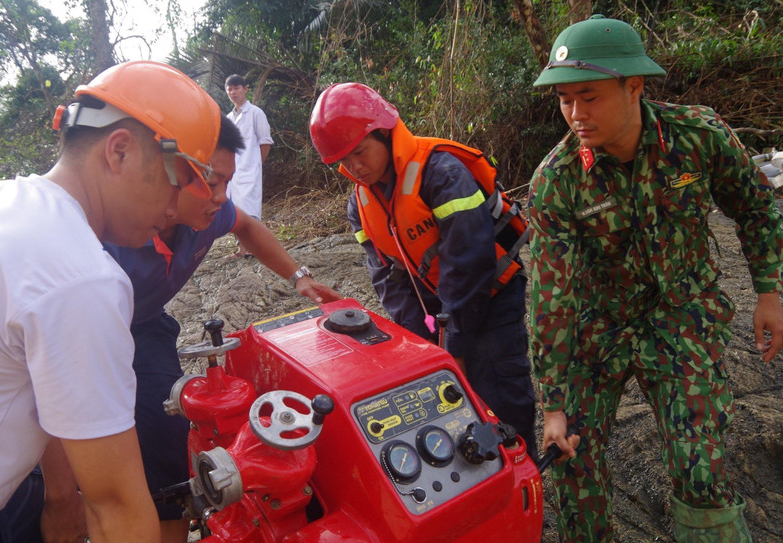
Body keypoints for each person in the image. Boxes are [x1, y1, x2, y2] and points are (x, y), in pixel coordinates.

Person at [527, 15, 783, 542]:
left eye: (589, 96)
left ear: (634, 86)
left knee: (701, 468)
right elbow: (551, 295)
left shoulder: (698, 137)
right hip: (598, 326)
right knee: (572, 464)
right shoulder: (557, 183)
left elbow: (756, 206)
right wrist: (552, 403)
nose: (575, 114)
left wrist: (768, 292)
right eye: (564, 100)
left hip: (683, 314)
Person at [40, 114, 342, 543]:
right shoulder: (98, 239)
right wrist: (60, 496)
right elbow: (47, 374)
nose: (220, 197)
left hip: (143, 328)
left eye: (226, 184)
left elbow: (248, 227)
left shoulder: (205, 214)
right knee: (91, 462)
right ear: (172, 172)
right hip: (78, 341)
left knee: (168, 437)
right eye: (211, 182)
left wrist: (300, 278)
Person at [0, 60, 222, 543]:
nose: (173, 209)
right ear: (119, 150)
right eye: (177, 179)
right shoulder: (80, 275)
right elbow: (116, 510)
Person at [309, 82, 538, 462]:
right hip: (438, 304)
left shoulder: (441, 173)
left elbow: (470, 262)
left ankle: (522, 477)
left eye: (360, 153)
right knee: (444, 401)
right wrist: (421, 348)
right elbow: (388, 279)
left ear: (383, 132)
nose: (354, 168)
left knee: (500, 395)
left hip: (491, 296)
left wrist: (455, 347)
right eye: (343, 163)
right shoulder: (360, 205)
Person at [224, 74, 273, 221]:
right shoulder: (228, 119)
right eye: (229, 89)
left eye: (237, 88)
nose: (233, 92)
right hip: (233, 178)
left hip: (249, 175)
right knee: (235, 221)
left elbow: (265, 143)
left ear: (245, 89)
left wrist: (256, 165)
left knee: (249, 220)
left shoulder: (256, 113)